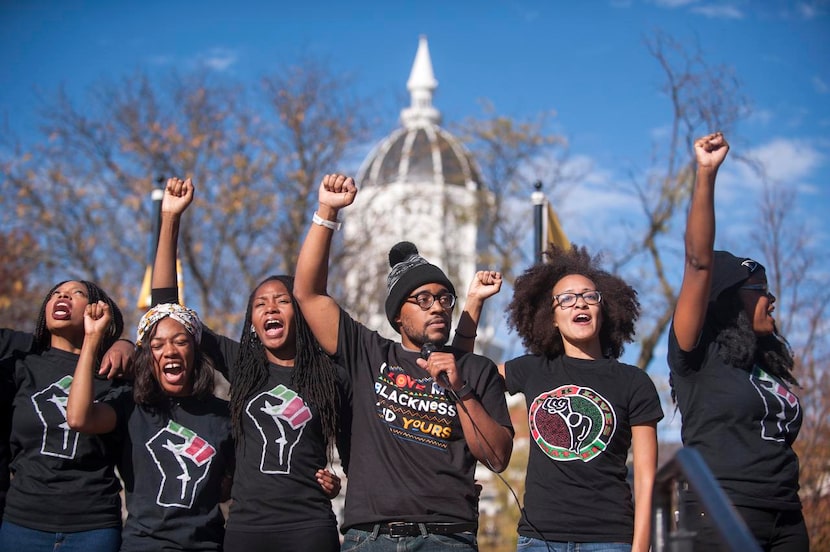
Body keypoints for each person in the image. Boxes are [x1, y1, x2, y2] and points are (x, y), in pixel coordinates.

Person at [293, 173, 514, 551]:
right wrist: (327, 212)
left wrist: (459, 388)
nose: (438, 308)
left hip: (446, 538)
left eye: (446, 299)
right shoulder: (369, 355)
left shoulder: (476, 371)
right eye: (423, 300)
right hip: (371, 537)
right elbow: (308, 295)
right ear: (398, 315)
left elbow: (496, 457)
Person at [152, 177, 348, 552]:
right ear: (253, 322)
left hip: (309, 527)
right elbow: (166, 309)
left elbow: (361, 443)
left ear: (301, 312)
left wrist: (337, 480)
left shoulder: (331, 373)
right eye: (260, 304)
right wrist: (170, 219)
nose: (270, 308)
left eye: (282, 301)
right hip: (246, 529)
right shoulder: (243, 364)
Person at [456, 249, 663, 552]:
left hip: (608, 540)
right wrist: (474, 302)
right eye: (566, 298)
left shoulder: (633, 382)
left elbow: (646, 478)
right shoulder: (533, 369)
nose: (579, 302)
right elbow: (461, 376)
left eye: (589, 296)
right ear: (550, 318)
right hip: (539, 540)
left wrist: (641, 547)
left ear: (603, 310)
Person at [669, 132, 808, 550]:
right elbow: (698, 263)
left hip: (786, 515)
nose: (771, 297)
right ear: (728, 302)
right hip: (720, 511)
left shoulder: (765, 366)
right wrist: (706, 175)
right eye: (759, 289)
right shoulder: (697, 354)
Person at [66, 300, 234, 551]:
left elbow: (226, 490)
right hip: (142, 544)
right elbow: (79, 418)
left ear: (196, 351)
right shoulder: (130, 405)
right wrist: (91, 339)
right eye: (157, 345)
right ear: (147, 356)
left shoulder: (224, 415)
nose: (170, 351)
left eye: (180, 341)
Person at [0, 281, 130, 551]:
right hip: (21, 524)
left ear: (97, 308)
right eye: (56, 294)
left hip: (93, 528)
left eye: (77, 294)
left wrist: (124, 345)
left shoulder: (114, 377)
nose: (62, 296)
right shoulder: (21, 363)